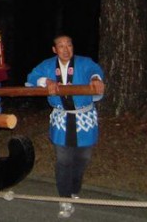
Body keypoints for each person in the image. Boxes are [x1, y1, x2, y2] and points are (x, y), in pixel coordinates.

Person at [26, 34, 104, 219]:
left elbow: (95, 71)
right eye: (61, 46)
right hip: (62, 119)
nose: (66, 49)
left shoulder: (84, 63)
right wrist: (46, 82)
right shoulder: (47, 65)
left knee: (82, 158)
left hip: (84, 117)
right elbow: (32, 77)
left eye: (69, 45)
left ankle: (74, 190)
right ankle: (65, 198)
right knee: (64, 160)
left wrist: (95, 79)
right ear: (55, 50)